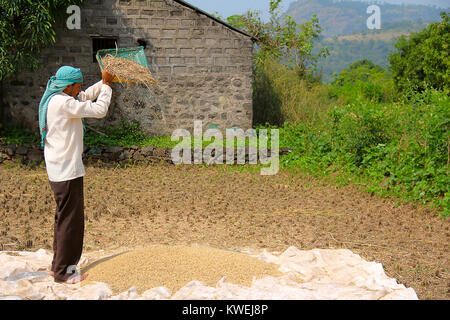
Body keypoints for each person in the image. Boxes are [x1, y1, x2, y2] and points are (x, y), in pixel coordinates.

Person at [38, 66, 115, 284]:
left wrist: (103, 81)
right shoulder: (63, 103)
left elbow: (85, 96)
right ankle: (65, 273)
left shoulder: (57, 97)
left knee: (63, 219)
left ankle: (58, 266)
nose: (80, 90)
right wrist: (107, 86)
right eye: (78, 86)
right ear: (68, 86)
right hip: (67, 171)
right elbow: (99, 110)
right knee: (71, 222)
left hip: (58, 169)